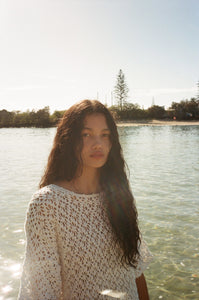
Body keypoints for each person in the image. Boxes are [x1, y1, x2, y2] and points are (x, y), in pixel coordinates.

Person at [18, 99, 152, 300]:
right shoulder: (47, 204)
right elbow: (42, 291)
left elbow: (135, 270)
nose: (97, 144)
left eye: (104, 135)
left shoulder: (117, 193)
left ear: (112, 142)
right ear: (69, 139)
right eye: (86, 134)